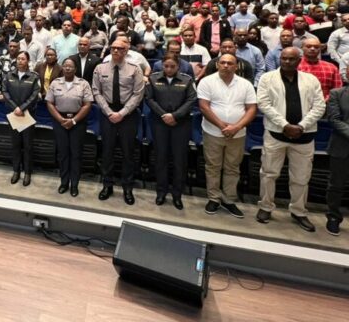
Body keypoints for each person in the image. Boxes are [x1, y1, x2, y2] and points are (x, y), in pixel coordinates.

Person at [255, 48, 325, 232]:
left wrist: (301, 125)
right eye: (283, 58)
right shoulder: (267, 78)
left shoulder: (311, 80)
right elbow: (263, 104)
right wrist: (284, 125)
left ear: (299, 60)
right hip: (275, 134)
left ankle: (299, 211)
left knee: (301, 177)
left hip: (304, 135)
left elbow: (319, 106)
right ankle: (265, 206)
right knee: (269, 173)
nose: (286, 62)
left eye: (291, 59)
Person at [197, 53, 257, 219]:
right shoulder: (207, 81)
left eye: (230, 63)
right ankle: (214, 198)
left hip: (237, 134)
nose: (226, 65)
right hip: (213, 131)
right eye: (222, 62)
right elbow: (204, 106)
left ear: (236, 66)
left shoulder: (245, 84)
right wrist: (223, 125)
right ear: (217, 65)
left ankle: (229, 200)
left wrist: (236, 126)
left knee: (232, 167)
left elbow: (252, 108)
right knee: (213, 166)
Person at [92, 39, 146, 205]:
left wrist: (122, 113)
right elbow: (96, 91)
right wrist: (109, 112)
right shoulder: (100, 68)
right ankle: (107, 185)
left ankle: (127, 187)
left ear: (126, 50)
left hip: (127, 114)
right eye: (113, 48)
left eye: (120, 48)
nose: (115, 51)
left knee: (128, 153)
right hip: (108, 113)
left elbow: (138, 94)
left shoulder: (134, 69)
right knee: (107, 152)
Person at [145, 53, 197, 210]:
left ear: (178, 66)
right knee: (161, 158)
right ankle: (161, 192)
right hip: (160, 123)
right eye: (166, 66)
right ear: (162, 65)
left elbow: (191, 100)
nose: (168, 69)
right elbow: (149, 99)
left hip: (180, 124)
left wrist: (175, 115)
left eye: (172, 66)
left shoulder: (187, 80)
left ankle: (177, 194)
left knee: (179, 160)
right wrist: (164, 115)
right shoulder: (153, 79)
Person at [46, 57, 94, 197]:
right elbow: (50, 103)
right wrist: (60, 119)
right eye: (65, 66)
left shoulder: (83, 83)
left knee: (76, 154)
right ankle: (64, 182)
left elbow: (87, 105)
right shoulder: (55, 83)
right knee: (63, 154)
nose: (67, 68)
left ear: (75, 69)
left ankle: (74, 184)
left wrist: (73, 120)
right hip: (59, 121)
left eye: (70, 66)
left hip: (78, 122)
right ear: (62, 68)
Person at [2, 51, 42, 186]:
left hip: (28, 115)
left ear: (28, 61)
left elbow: (35, 94)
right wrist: (15, 108)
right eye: (18, 59)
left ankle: (27, 172)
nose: (20, 61)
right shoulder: (9, 75)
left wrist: (23, 108)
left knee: (28, 145)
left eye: (23, 59)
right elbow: (5, 92)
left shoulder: (34, 76)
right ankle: (16, 171)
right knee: (15, 145)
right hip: (14, 115)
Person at [326, 86, 349, 235]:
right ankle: (333, 217)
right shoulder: (337, 93)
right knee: (336, 185)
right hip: (342, 145)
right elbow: (334, 119)